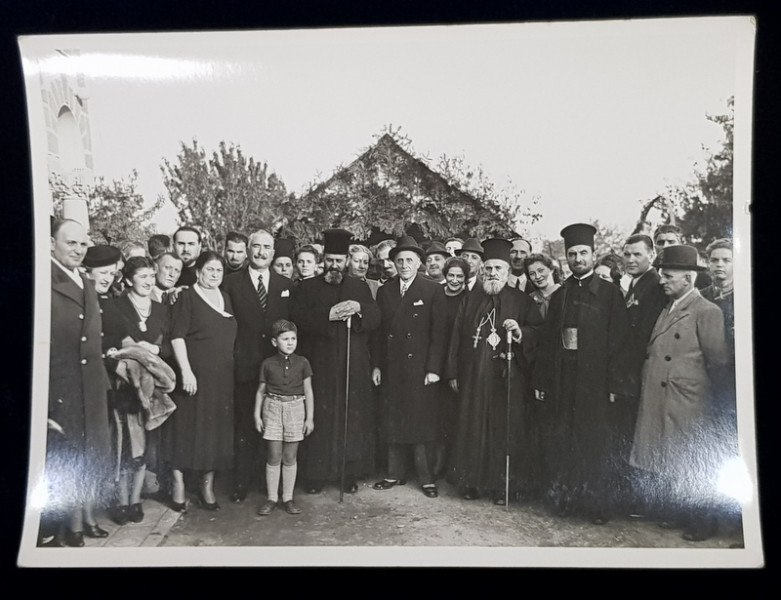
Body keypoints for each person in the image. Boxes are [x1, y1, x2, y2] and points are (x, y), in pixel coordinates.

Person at [533, 223, 632, 524]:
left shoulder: (610, 294)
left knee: (594, 443)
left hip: (595, 382)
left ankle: (596, 506)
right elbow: (548, 342)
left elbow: (621, 342)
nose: (578, 259)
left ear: (593, 254)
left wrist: (616, 383)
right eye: (572, 254)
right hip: (565, 380)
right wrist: (543, 381)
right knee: (565, 439)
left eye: (583, 253)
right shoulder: (561, 295)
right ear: (566, 257)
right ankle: (568, 499)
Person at [630, 245, 729, 541]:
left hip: (689, 399)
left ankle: (703, 521)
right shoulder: (667, 307)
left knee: (691, 461)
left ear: (687, 278)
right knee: (669, 457)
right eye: (662, 275)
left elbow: (719, 362)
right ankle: (679, 512)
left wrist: (714, 403)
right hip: (664, 395)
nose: (662, 281)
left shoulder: (706, 311)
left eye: (668, 276)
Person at [445, 238, 543, 504]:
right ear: (481, 271)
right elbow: (455, 336)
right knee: (472, 427)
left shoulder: (522, 301)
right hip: (474, 377)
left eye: (498, 268)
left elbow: (537, 330)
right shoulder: (470, 299)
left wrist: (520, 331)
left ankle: (503, 487)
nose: (492, 273)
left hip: (506, 377)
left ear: (508, 272)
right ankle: (472, 482)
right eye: (488, 268)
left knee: (505, 431)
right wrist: (452, 371)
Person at [291, 228, 381, 494]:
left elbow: (376, 317)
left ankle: (347, 474)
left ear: (346, 262)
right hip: (319, 365)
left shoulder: (358, 286)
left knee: (350, 421)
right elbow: (297, 318)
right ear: (323, 260)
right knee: (319, 417)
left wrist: (359, 308)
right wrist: (327, 316)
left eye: (338, 261)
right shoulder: (307, 287)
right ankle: (316, 476)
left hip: (352, 366)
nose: (334, 266)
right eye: (329, 260)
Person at [43, 219, 112, 547]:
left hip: (91, 386)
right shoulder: (45, 281)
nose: (78, 250)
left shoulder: (85, 281)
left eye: (83, 244)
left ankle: (83, 519)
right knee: (68, 457)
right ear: (52, 242)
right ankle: (66, 528)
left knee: (89, 454)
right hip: (63, 388)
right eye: (71, 243)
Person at [371, 237, 448, 498]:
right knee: (393, 419)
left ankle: (426, 479)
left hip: (420, 368)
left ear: (419, 263)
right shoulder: (385, 291)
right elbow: (380, 334)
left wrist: (434, 368)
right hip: (393, 367)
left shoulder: (432, 289)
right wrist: (377, 366)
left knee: (421, 421)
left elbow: (439, 334)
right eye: (399, 260)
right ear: (393, 262)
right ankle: (394, 473)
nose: (404, 265)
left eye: (409, 261)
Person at [221, 229, 294, 503]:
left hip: (277, 368)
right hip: (244, 365)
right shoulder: (230, 283)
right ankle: (241, 482)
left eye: (267, 248)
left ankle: (269, 484)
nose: (261, 252)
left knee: (274, 425)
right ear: (248, 249)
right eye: (256, 247)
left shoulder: (285, 284)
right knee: (245, 425)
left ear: (273, 252)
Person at [164, 251, 237, 511]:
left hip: (221, 378)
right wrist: (186, 372)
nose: (215, 275)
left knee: (213, 433)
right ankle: (179, 485)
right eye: (209, 270)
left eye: (219, 270)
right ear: (198, 272)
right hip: (193, 377)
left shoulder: (225, 298)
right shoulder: (187, 297)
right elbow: (177, 336)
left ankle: (207, 486)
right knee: (186, 431)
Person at [102, 256, 172, 525]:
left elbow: (168, 346)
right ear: (129, 280)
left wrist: (156, 350)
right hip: (123, 384)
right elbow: (110, 343)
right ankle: (121, 502)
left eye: (151, 276)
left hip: (152, 386)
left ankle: (135, 500)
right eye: (142, 276)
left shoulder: (161, 308)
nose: (148, 281)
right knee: (124, 444)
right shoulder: (115, 307)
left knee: (147, 442)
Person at [618, 234, 668, 515]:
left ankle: (642, 502)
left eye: (637, 254)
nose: (631, 260)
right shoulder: (635, 285)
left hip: (640, 371)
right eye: (627, 254)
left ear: (651, 255)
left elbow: (643, 335)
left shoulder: (654, 286)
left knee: (640, 437)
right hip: (630, 371)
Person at [254, 320, 315, 516]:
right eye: (285, 339)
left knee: (290, 457)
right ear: (274, 342)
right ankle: (272, 498)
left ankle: (287, 498)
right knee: (274, 456)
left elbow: (309, 391)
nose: (290, 342)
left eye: (293, 338)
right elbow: (260, 391)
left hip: (296, 408)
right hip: (272, 407)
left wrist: (309, 418)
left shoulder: (303, 362)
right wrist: (257, 415)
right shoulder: (268, 363)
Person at [523, 253, 561, 319]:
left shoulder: (567, 293)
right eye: (532, 274)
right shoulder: (529, 300)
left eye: (541, 271)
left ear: (551, 269)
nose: (537, 276)